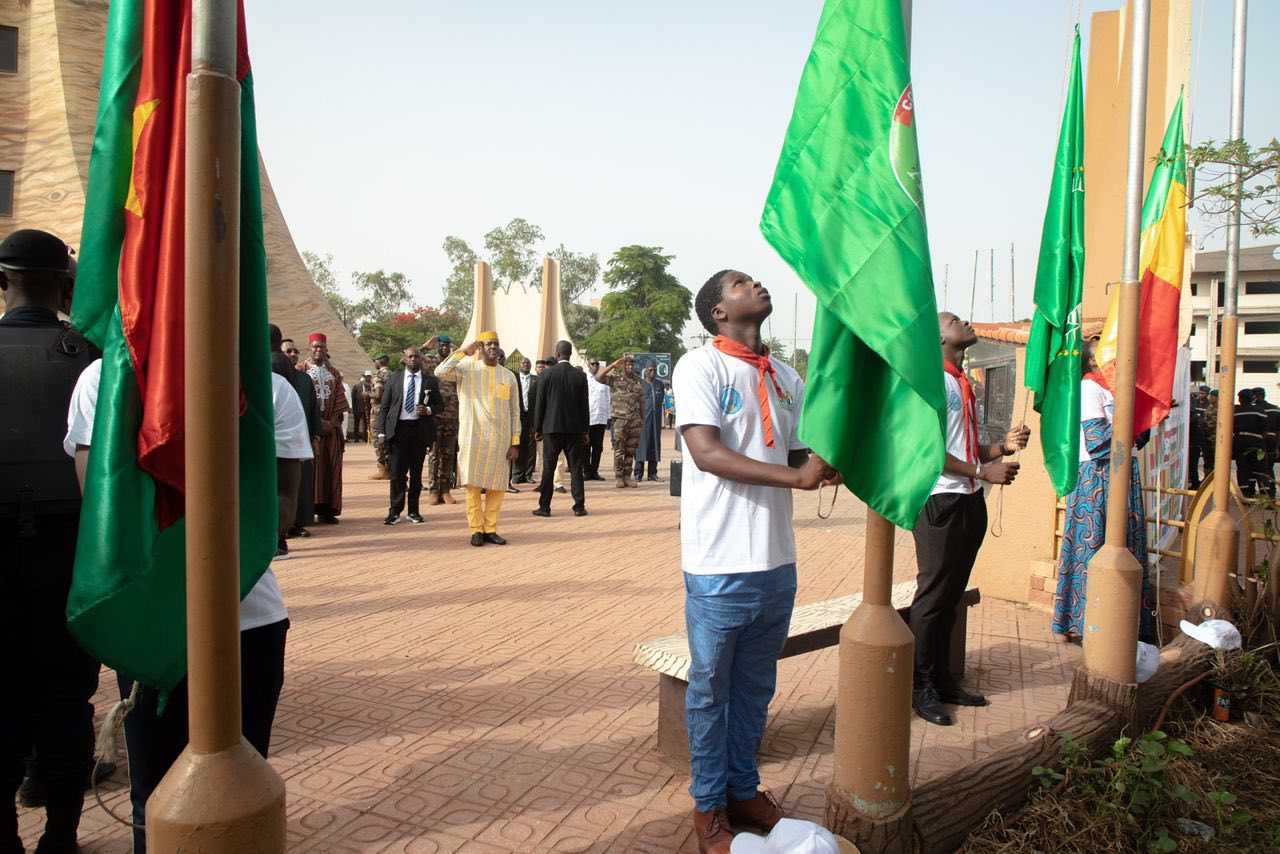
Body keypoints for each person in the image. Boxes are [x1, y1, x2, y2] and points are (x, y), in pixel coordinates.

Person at [65, 346, 301, 854]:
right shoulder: (106, 380)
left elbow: (283, 507)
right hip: (152, 623)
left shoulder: (270, 389)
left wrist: (213, 545)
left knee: (240, 787)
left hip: (248, 621)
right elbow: (99, 502)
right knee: (153, 798)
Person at [675, 269, 840, 854]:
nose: (758, 286)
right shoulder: (701, 367)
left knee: (754, 687)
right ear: (719, 312)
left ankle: (743, 790)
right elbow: (707, 452)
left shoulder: (785, 376)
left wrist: (825, 461)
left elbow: (795, 452)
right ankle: (708, 806)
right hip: (719, 560)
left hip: (775, 559)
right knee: (709, 690)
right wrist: (798, 477)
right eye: (742, 284)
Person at [1, 229, 101, 854]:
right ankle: (61, 835)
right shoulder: (91, 358)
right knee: (67, 697)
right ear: (65, 284)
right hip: (72, 549)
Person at [912, 312, 1030, 727]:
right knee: (932, 598)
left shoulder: (962, 382)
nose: (964, 322)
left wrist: (1000, 449)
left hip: (969, 498)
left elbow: (965, 448)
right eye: (953, 320)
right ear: (938, 337)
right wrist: (982, 472)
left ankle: (943, 678)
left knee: (951, 596)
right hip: (940, 501)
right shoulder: (932, 382)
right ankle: (920, 685)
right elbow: (928, 451)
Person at [1053, 338, 1155, 647]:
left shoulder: (1117, 391)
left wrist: (1149, 415)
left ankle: (1126, 623)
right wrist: (1134, 421)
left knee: (1126, 544)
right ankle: (1086, 623)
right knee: (1094, 547)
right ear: (1093, 361)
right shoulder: (1089, 389)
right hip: (1096, 478)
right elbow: (1097, 439)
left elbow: (1138, 440)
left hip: (1123, 474)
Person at [434, 331, 520, 546]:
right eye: (488, 343)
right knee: (472, 486)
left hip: (500, 440)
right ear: (480, 347)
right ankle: (476, 530)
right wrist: (463, 351)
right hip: (473, 438)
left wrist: (515, 442)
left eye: (496, 344)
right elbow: (440, 371)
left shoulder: (508, 376)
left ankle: (491, 528)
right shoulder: (467, 370)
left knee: (497, 487)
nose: (493, 347)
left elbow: (514, 411)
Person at [377, 346, 443, 526]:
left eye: (416, 357)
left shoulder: (430, 381)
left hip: (419, 431)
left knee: (416, 473)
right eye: (410, 357)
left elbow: (440, 405)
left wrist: (428, 410)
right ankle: (394, 511)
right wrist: (381, 432)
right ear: (404, 359)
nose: (413, 359)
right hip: (398, 431)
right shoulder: (394, 379)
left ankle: (413, 511)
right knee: (397, 474)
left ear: (421, 359)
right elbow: (384, 407)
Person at [532, 340, 590, 518]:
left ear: (557, 355)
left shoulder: (546, 375)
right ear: (570, 354)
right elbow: (584, 406)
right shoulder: (580, 376)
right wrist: (585, 430)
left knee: (548, 468)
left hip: (551, 428)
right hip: (574, 429)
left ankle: (545, 507)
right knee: (576, 468)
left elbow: (540, 404)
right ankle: (579, 506)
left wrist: (537, 428)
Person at [303, 333, 349, 523]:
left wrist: (331, 422)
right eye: (315, 346)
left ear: (326, 349)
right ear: (309, 349)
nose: (318, 350)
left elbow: (340, 400)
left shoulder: (334, 373)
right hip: (308, 430)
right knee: (309, 472)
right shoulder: (300, 371)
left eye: (321, 347)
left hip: (331, 431)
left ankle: (327, 511)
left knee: (330, 469)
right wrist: (317, 423)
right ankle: (306, 512)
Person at [596, 354, 644, 488]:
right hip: (620, 420)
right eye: (627, 364)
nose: (630, 367)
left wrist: (643, 418)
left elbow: (642, 400)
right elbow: (598, 377)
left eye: (632, 364)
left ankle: (627, 476)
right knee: (619, 450)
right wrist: (613, 365)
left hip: (635, 420)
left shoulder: (638, 381)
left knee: (630, 451)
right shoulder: (615, 379)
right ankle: (618, 477)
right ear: (623, 366)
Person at [426, 334, 460, 505]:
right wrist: (425, 347)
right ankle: (433, 490)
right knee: (434, 455)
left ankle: (445, 491)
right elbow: (406, 360)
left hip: (453, 416)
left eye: (447, 345)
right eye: (442, 345)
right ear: (437, 346)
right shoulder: (431, 361)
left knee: (448, 455)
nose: (445, 348)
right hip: (435, 416)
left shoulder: (456, 365)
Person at [1233, 387, 1268, 497]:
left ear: (1240, 399)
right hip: (1256, 442)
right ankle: (1265, 494)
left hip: (1239, 442)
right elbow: (1265, 430)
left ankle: (1245, 495)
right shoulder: (1259, 411)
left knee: (1242, 468)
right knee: (1260, 468)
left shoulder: (1234, 411)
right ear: (1252, 398)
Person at [634, 364, 665, 482]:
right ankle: (638, 473)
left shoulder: (660, 384)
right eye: (650, 370)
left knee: (654, 445)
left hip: (656, 420)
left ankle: (652, 474)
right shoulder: (641, 384)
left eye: (654, 370)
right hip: (643, 421)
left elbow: (661, 400)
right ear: (646, 371)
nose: (653, 372)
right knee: (641, 446)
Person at [514, 357, 539, 484]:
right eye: (523, 363)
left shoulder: (536, 380)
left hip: (531, 417)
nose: (525, 365)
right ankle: (517, 474)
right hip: (517, 416)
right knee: (517, 444)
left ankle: (528, 475)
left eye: (528, 363)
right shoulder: (514, 378)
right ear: (519, 365)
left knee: (530, 447)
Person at [585, 358, 611, 480]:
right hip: (588, 418)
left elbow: (608, 399)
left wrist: (608, 417)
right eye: (593, 364)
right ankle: (586, 471)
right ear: (588, 365)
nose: (595, 366)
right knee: (586, 446)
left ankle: (594, 471)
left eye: (597, 364)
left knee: (598, 447)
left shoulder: (603, 381)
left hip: (600, 419)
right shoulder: (584, 379)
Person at [368, 354, 392, 480]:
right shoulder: (392, 374)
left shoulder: (378, 375)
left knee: (378, 439)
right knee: (388, 439)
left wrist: (367, 394)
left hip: (378, 412)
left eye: (375, 361)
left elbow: (378, 395)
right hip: (390, 411)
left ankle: (383, 469)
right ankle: (390, 467)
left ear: (379, 362)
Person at [1255, 387, 1279, 498]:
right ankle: (1271, 492)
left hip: (1259, 440)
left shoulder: (1255, 409)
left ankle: (1263, 492)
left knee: (1258, 467)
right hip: (1272, 441)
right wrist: (1277, 447)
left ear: (1256, 396)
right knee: (1269, 467)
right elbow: (1279, 430)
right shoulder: (1275, 409)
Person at [1188, 385, 1209, 489]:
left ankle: (1198, 483)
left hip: (1203, 433)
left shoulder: (1209, 405)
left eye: (1204, 393)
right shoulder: (1193, 403)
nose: (1202, 395)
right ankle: (1194, 482)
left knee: (1201, 462)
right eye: (1200, 393)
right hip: (1194, 434)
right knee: (1192, 463)